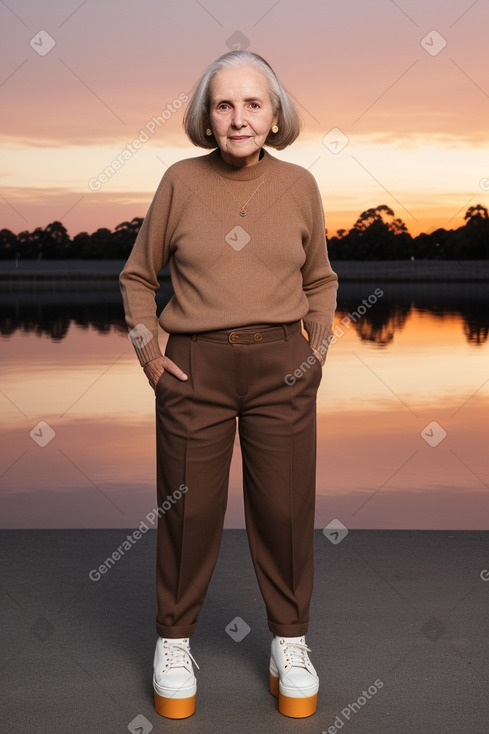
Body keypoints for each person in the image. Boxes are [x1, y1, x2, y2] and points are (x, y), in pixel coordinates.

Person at [119, 49, 338, 720]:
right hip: (195, 370)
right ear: (205, 118)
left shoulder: (299, 184)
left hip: (280, 368)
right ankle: (173, 642)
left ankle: (289, 644)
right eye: (223, 104)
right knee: (188, 513)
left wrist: (315, 353)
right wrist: (151, 359)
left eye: (251, 104)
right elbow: (135, 280)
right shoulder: (179, 182)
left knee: (284, 510)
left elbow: (320, 281)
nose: (237, 118)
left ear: (274, 116)